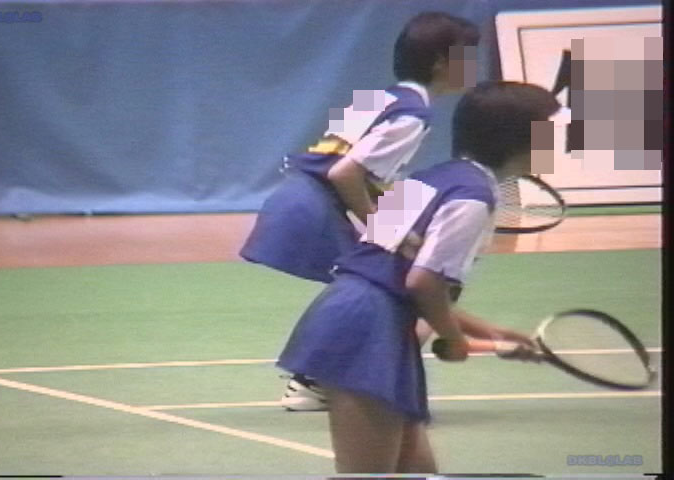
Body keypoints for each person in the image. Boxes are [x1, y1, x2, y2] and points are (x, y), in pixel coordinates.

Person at [277, 81, 562, 473]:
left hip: (357, 314)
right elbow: (423, 284)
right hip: (365, 331)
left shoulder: (426, 179)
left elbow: (392, 277)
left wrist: (493, 333)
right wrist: (455, 339)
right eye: (547, 133)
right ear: (517, 140)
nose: (555, 143)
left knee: (417, 470)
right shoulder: (473, 199)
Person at [240, 11, 480, 410]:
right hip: (313, 207)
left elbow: (350, 170)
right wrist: (386, 230)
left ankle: (320, 380)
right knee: (393, 280)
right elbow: (344, 173)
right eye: (469, 55)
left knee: (368, 281)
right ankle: (319, 382)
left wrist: (396, 223)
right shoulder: (413, 116)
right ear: (441, 61)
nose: (475, 65)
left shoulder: (380, 97)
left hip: (295, 197)